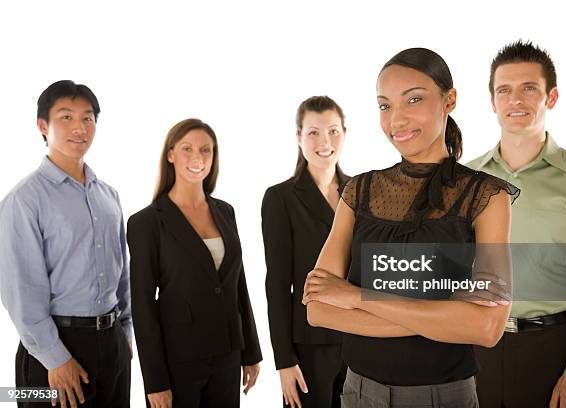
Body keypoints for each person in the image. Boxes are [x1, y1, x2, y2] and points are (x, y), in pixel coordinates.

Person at [302, 48, 519, 408]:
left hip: (442, 396)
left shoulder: (486, 196)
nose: (396, 120)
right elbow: (318, 308)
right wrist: (445, 316)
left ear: (449, 100)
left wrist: (357, 297)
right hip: (358, 393)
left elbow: (487, 328)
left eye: (413, 99)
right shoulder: (359, 190)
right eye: (385, 106)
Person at [466, 40, 566, 408]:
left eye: (529, 88)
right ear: (492, 101)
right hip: (471, 348)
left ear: (552, 96)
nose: (516, 100)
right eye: (505, 90)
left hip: (550, 353)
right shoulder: (463, 179)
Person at [0, 80, 132, 408]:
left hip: (112, 343)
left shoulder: (108, 196)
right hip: (56, 349)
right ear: (42, 126)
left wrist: (126, 334)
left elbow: (123, 274)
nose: (79, 127)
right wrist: (55, 358)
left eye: (88, 118)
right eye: (66, 117)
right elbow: (20, 291)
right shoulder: (24, 200)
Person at [127, 118, 262, 408]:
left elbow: (238, 285)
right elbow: (142, 306)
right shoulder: (147, 223)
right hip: (178, 361)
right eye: (187, 149)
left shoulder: (225, 212)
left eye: (206, 150)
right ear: (170, 154)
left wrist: (251, 352)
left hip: (227, 353)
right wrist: (155, 382)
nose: (197, 158)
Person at [262, 96, 349, 408]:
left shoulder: (360, 192)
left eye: (333, 131)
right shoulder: (280, 198)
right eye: (313, 132)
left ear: (345, 134)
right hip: (309, 345)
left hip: (359, 341)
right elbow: (277, 283)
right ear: (298, 137)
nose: (324, 141)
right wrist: (283, 360)